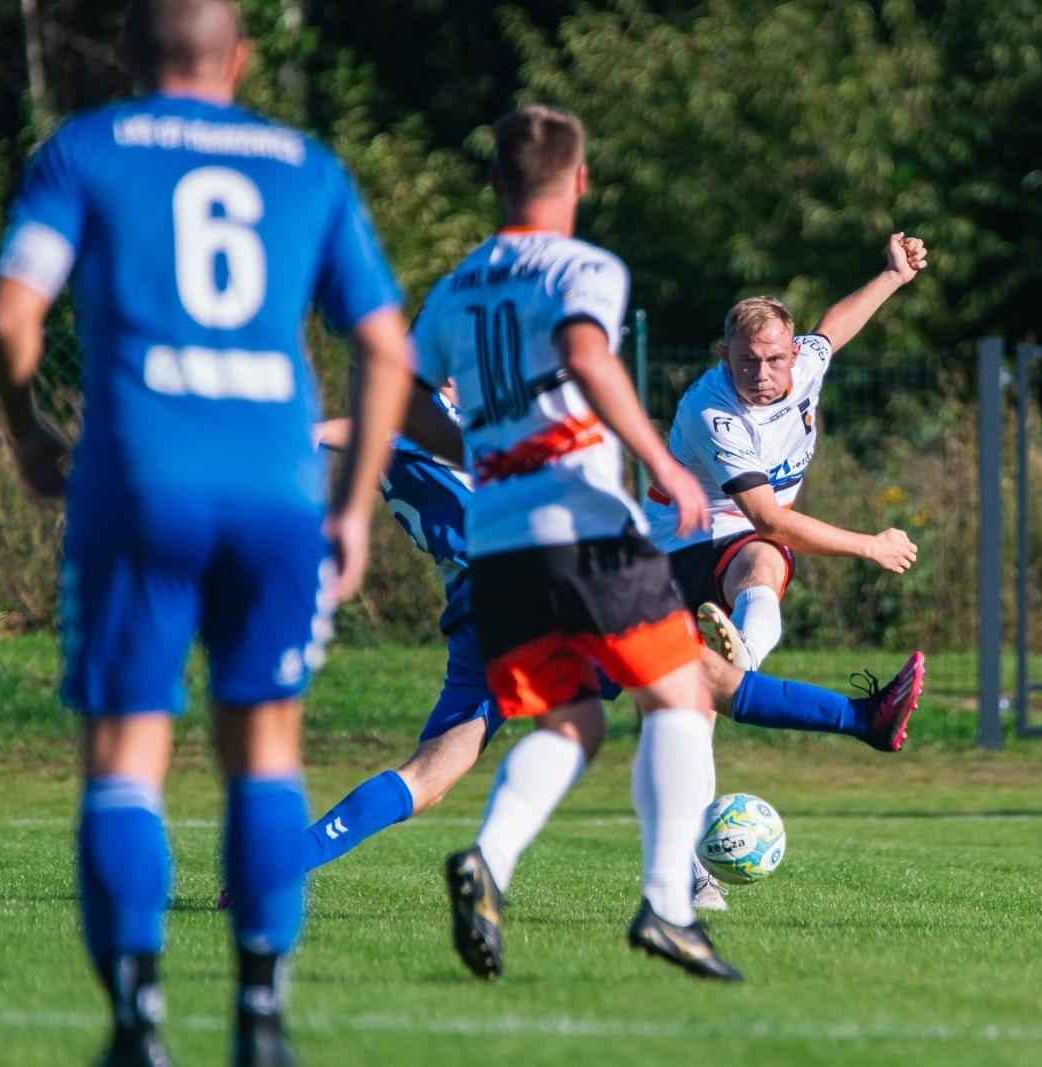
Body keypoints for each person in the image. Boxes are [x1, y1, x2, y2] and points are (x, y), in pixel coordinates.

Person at [0, 1, 411, 1063]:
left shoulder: (88, 148)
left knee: (127, 754)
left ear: (127, 56)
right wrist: (350, 506)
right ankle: (261, 1013)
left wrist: (31, 432)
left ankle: (137, 1021)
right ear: (243, 58)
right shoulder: (305, 164)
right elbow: (386, 351)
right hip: (274, 489)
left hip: (138, 479)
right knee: (264, 749)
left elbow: (5, 314)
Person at [300, 396, 927, 914]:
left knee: (430, 774)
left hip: (477, 609)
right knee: (694, 676)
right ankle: (861, 720)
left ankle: (283, 864)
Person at [398, 104, 741, 981]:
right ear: (581, 179)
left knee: (574, 718)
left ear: (495, 184)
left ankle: (489, 863)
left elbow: (401, 402)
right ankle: (668, 905)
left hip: (500, 544)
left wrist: (477, 447)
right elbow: (587, 353)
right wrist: (663, 460)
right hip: (584, 524)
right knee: (684, 696)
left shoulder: (456, 285)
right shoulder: (583, 267)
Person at [643, 235, 930, 750]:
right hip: (678, 549)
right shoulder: (714, 413)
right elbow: (768, 520)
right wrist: (870, 545)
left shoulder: (804, 365)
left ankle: (744, 657)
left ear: (793, 354)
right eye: (747, 361)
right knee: (684, 719)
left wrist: (892, 276)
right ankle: (745, 663)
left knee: (759, 570)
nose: (762, 374)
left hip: (739, 541)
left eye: (775, 360)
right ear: (723, 356)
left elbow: (831, 331)